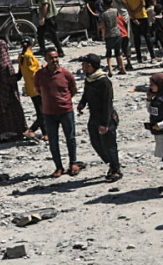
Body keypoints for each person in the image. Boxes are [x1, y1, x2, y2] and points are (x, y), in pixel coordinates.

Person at [36, 48, 80, 177]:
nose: (54, 60)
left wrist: (64, 101)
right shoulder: (39, 75)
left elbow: (73, 89)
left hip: (66, 111)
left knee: (70, 138)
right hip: (49, 113)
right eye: (51, 58)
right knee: (53, 141)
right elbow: (38, 89)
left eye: (56, 57)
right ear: (46, 59)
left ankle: (73, 163)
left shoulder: (65, 73)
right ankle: (58, 167)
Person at [82, 54, 122, 182]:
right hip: (94, 116)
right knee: (95, 142)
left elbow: (107, 103)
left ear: (89, 66)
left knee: (109, 144)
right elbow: (86, 92)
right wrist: (82, 103)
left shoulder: (103, 81)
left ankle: (116, 169)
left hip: (106, 117)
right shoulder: (89, 78)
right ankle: (111, 163)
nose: (82, 66)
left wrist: (105, 123)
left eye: (84, 64)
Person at [0, 39, 25, 145]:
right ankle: (15, 133)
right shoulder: (4, 64)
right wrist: (20, 72)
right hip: (6, 94)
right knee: (13, 112)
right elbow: (10, 79)